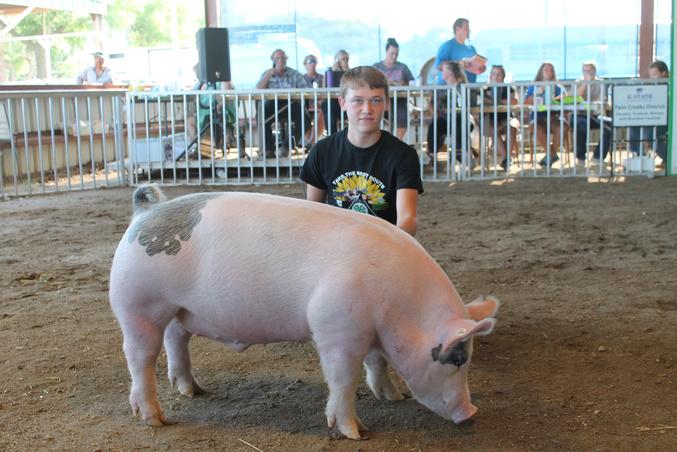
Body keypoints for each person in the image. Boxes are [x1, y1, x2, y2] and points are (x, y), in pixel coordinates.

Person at [300, 66, 423, 237]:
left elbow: (407, 218)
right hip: (334, 245)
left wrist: (392, 244)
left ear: (386, 104)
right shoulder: (322, 151)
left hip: (385, 244)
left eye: (376, 100)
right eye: (357, 100)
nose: (367, 109)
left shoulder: (404, 156)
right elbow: (313, 212)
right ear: (342, 103)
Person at [256, 48, 310, 158]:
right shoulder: (267, 74)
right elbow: (258, 90)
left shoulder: (294, 74)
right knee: (261, 114)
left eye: (283, 58)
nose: (280, 61)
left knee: (306, 119)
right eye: (277, 58)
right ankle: (268, 149)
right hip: (272, 104)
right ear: (273, 60)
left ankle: (287, 146)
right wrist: (268, 76)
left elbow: (306, 90)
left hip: (291, 103)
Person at [427, 61, 471, 164]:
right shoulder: (440, 88)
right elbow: (431, 104)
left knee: (460, 127)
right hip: (444, 119)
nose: (441, 71)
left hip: (461, 118)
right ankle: (432, 156)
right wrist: (435, 114)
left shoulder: (463, 87)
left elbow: (465, 107)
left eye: (444, 69)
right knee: (434, 125)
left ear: (450, 72)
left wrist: (453, 110)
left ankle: (462, 155)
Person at [523, 62, 566, 167]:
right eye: (546, 70)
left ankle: (549, 156)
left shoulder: (558, 87)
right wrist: (540, 89)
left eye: (551, 70)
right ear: (541, 72)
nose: (549, 72)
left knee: (563, 127)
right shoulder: (533, 86)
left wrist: (559, 99)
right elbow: (527, 101)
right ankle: (552, 154)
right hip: (537, 117)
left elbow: (565, 99)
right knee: (536, 128)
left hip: (554, 116)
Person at [628, 60, 669, 165]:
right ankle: (638, 156)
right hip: (652, 119)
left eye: (654, 74)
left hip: (666, 120)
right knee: (634, 127)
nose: (652, 78)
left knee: (649, 132)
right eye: (651, 75)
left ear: (663, 73)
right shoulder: (652, 88)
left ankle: (668, 156)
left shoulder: (670, 87)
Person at [373, 38, 415, 140]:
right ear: (386, 51)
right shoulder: (376, 67)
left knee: (401, 110)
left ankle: (397, 141)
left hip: (399, 101)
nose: (394, 56)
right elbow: (369, 83)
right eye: (392, 53)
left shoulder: (403, 68)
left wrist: (402, 83)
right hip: (379, 101)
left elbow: (412, 83)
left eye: (396, 54)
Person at [574, 61, 612, 166]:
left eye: (590, 70)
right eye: (585, 71)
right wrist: (585, 83)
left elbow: (602, 100)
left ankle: (598, 156)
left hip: (597, 114)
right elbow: (577, 97)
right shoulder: (578, 82)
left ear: (594, 71)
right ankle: (581, 157)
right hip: (581, 114)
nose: (588, 73)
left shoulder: (601, 83)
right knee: (580, 124)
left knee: (609, 125)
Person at [482, 64, 517, 170]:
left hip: (506, 118)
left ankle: (506, 160)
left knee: (513, 127)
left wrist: (496, 101)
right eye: (494, 74)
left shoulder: (508, 89)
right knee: (492, 129)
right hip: (491, 119)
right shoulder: (485, 90)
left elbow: (514, 101)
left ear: (503, 77)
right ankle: (507, 159)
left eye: (499, 74)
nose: (496, 77)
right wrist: (503, 102)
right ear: (490, 76)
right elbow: (483, 103)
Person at [434, 18, 486, 84]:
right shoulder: (447, 46)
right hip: (448, 88)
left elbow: (477, 70)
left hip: (469, 87)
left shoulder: (471, 49)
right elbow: (438, 66)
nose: (468, 31)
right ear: (457, 29)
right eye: (466, 29)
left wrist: (481, 68)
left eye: (468, 29)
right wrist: (459, 64)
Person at [323, 50, 350, 133]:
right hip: (333, 103)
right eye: (343, 59)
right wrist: (333, 72)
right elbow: (325, 89)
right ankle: (332, 135)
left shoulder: (351, 73)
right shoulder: (329, 73)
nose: (345, 61)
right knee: (327, 105)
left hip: (347, 103)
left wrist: (346, 72)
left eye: (347, 59)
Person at [302, 54, 326, 145]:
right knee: (302, 115)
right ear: (305, 64)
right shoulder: (301, 79)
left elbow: (325, 93)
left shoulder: (322, 78)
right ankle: (311, 143)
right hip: (305, 106)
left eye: (314, 61)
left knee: (322, 113)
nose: (312, 63)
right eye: (310, 61)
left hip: (319, 106)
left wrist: (320, 101)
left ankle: (311, 142)